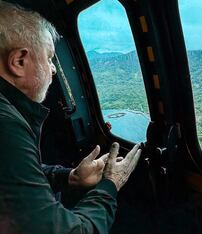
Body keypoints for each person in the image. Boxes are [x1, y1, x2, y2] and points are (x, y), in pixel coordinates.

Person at [0, 1, 141, 233]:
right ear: (19, 62)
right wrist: (110, 184)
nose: (53, 69)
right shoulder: (6, 125)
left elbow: (16, 178)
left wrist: (70, 177)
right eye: (49, 58)